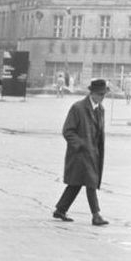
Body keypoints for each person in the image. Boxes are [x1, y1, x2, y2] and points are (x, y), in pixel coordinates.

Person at [52, 78, 109, 226]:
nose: (103, 97)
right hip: (80, 154)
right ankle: (96, 215)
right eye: (101, 94)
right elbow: (67, 131)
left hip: (94, 154)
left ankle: (60, 209)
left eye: (104, 94)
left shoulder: (101, 110)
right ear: (92, 93)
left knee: (76, 183)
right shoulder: (78, 108)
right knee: (90, 182)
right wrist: (81, 144)